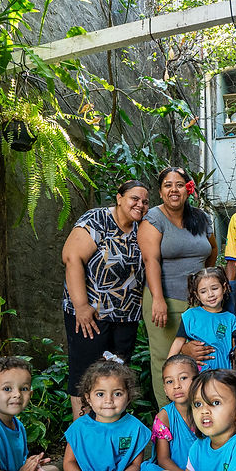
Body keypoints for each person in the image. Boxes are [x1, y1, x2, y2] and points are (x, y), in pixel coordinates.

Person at [62, 179, 149, 418]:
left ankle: (111, 427)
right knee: (85, 374)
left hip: (126, 317)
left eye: (145, 202)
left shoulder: (142, 228)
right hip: (91, 315)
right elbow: (71, 257)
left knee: (117, 376)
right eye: (134, 199)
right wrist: (81, 306)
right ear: (119, 198)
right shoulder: (98, 219)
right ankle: (84, 431)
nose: (140, 205)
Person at [139, 167, 218, 403]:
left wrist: (204, 284)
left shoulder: (201, 218)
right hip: (166, 300)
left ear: (188, 189)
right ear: (160, 192)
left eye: (179, 185)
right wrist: (158, 299)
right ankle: (168, 418)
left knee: (201, 356)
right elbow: (150, 261)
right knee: (167, 361)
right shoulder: (154, 219)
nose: (174, 190)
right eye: (168, 185)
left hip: (200, 303)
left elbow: (212, 250)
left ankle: (200, 414)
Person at [62, 359, 150, 471]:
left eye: (117, 394)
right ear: (88, 398)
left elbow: (136, 465)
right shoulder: (79, 428)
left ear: (128, 397)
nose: (108, 400)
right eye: (100, 394)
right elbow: (69, 462)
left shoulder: (136, 428)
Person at [168, 267, 236, 371]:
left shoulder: (230, 319)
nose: (210, 294)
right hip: (198, 373)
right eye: (203, 291)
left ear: (224, 288)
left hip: (224, 373)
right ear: (197, 295)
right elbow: (178, 342)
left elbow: (234, 348)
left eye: (214, 288)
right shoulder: (190, 316)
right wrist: (169, 367)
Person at [140, 354, 199, 471]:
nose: (176, 386)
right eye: (169, 381)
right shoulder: (164, 417)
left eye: (183, 378)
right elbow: (163, 459)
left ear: (197, 381)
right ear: (165, 389)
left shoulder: (207, 410)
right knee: (147, 469)